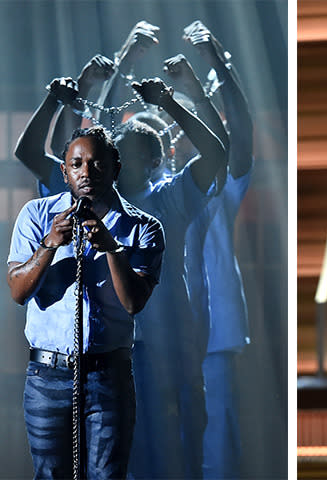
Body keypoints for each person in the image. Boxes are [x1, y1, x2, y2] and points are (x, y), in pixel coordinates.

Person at [14, 73, 228, 479]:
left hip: (161, 351)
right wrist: (58, 101)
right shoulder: (69, 203)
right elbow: (30, 153)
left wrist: (168, 103)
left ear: (146, 162)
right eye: (84, 163)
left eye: (113, 158)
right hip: (93, 358)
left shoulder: (165, 202)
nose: (93, 170)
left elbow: (216, 154)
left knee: (166, 458)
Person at [6, 126, 165, 479]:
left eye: (96, 164)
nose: (86, 172)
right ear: (64, 171)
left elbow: (133, 303)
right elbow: (18, 291)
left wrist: (112, 248)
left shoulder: (143, 227)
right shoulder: (36, 216)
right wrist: (49, 245)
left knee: (107, 475)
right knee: (50, 474)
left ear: (115, 168)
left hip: (108, 375)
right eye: (76, 164)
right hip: (47, 376)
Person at [178, 21, 253, 479]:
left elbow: (237, 134)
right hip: (155, 333)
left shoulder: (221, 187)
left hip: (214, 334)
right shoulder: (155, 188)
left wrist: (218, 66)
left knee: (216, 447)